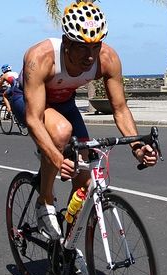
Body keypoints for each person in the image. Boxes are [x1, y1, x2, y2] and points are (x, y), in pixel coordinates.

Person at [8, 1, 158, 241]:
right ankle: (44, 200)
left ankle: (67, 245)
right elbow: (34, 120)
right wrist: (57, 159)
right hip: (27, 102)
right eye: (82, 48)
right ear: (66, 43)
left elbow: (119, 108)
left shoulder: (107, 58)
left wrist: (137, 148)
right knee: (60, 132)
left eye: (95, 46)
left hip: (64, 103)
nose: (90, 56)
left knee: (85, 182)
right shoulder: (41, 57)